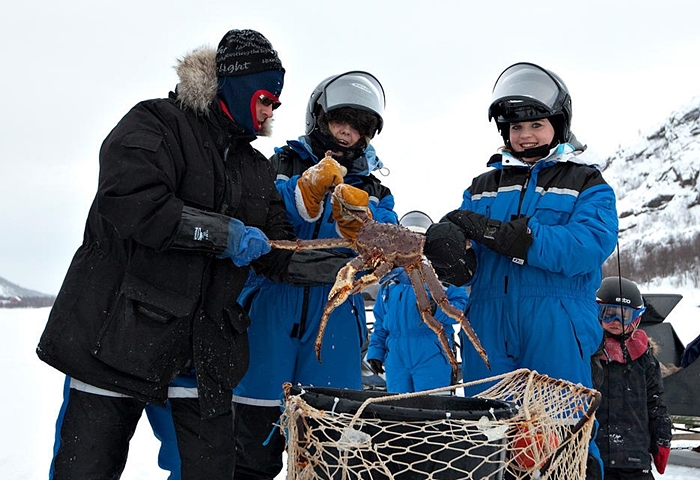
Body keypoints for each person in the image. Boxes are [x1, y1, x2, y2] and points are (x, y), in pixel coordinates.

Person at [37, 29, 355, 480]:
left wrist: (355, 265)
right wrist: (221, 233)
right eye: (265, 98)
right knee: (86, 467)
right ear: (239, 87)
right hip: (115, 338)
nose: (270, 112)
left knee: (211, 470)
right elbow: (132, 201)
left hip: (198, 352)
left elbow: (279, 252)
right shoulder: (154, 123)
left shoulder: (254, 168)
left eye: (276, 104)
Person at [422, 62, 619, 479]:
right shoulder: (481, 186)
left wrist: (521, 239)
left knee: (562, 438)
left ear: (559, 125)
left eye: (536, 124)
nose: (525, 134)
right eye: (515, 127)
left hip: (556, 325)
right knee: (485, 440)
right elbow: (468, 265)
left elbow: (587, 248)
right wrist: (452, 259)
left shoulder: (587, 183)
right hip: (487, 327)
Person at [232, 70, 398, 480]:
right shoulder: (281, 164)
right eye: (340, 121)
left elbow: (385, 240)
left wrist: (366, 222)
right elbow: (259, 218)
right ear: (319, 119)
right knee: (250, 452)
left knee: (332, 457)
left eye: (357, 127)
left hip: (337, 318)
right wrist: (301, 195)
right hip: (270, 312)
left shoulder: (375, 188)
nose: (346, 133)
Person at [366, 211, 469, 393]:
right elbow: (381, 322)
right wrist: (375, 352)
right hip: (396, 359)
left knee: (433, 409)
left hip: (432, 353)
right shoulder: (390, 281)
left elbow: (462, 304)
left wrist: (438, 309)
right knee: (398, 409)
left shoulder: (442, 276)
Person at [593, 276, 673, 479]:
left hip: (635, 456)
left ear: (636, 318)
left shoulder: (644, 358)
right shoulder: (589, 353)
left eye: (623, 316)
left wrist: (662, 438)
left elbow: (656, 403)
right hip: (595, 455)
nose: (615, 322)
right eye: (608, 314)